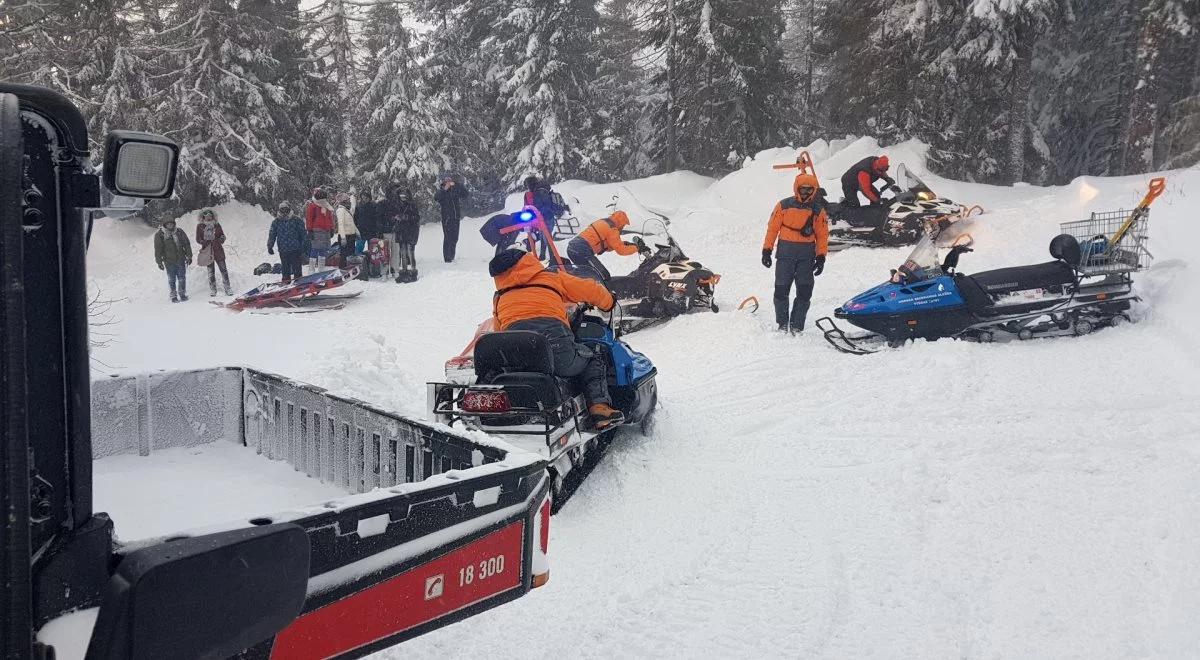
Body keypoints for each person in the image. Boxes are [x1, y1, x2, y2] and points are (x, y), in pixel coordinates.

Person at [489, 248, 625, 429]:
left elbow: (499, 330)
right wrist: (609, 302)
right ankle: (599, 408)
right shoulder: (552, 278)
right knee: (593, 357)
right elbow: (591, 289)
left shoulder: (500, 297)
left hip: (518, 358)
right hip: (557, 352)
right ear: (528, 262)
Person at [762, 173, 829, 333]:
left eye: (809, 190)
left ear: (814, 191)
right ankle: (782, 322)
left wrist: (821, 257)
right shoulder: (783, 206)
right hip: (785, 255)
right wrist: (767, 250)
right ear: (797, 188)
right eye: (803, 189)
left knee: (805, 291)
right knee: (781, 290)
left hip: (806, 257)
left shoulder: (818, 210)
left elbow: (822, 235)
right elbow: (772, 229)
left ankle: (798, 324)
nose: (805, 193)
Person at [566, 210, 648, 280]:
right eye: (623, 225)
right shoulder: (613, 229)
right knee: (603, 276)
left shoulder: (603, 222)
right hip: (582, 250)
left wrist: (627, 244)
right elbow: (621, 250)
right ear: (620, 222)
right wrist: (637, 248)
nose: (623, 227)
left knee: (589, 275)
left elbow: (608, 245)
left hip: (573, 248)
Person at [523, 176, 567, 259]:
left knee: (547, 238)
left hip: (547, 218)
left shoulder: (541, 191)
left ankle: (553, 258)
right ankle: (542, 256)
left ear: (532, 183)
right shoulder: (536, 191)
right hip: (541, 219)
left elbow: (547, 205)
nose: (528, 187)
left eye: (528, 185)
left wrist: (538, 212)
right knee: (543, 237)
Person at [267, 201, 309, 283]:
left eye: (286, 209)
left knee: (297, 268)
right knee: (285, 268)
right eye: (282, 210)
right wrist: (270, 246)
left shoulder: (296, 220)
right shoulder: (276, 222)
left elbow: (303, 233)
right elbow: (272, 234)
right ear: (279, 210)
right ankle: (286, 283)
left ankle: (299, 282)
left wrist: (305, 245)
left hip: (295, 248)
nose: (284, 211)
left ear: (289, 209)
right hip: (283, 249)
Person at [194, 208, 232, 296]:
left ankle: (228, 288)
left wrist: (221, 239)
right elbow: (198, 239)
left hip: (218, 250)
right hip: (208, 251)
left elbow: (222, 235)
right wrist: (204, 241)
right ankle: (213, 289)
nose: (208, 217)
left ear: (212, 216)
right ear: (203, 217)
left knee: (224, 270)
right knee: (211, 272)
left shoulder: (217, 225)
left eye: (210, 216)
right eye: (206, 216)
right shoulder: (200, 226)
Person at [154, 217, 192, 303]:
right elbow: (158, 250)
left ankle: (182, 294)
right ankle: (173, 296)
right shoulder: (160, 235)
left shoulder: (179, 232)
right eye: (168, 224)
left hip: (181, 259)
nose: (170, 225)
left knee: (182, 278)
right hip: (169, 261)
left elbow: (186, 244)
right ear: (165, 225)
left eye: (171, 223)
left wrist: (189, 256)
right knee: (172, 279)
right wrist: (159, 262)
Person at [434, 174, 468, 263]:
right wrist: (445, 189)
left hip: (456, 217)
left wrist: (457, 184)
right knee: (448, 238)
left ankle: (452, 256)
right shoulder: (441, 191)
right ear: (444, 182)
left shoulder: (455, 190)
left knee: (455, 238)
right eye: (446, 180)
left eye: (450, 180)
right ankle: (447, 258)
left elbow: (465, 194)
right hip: (447, 218)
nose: (448, 182)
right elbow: (436, 197)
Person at [391, 186, 421, 282]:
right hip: (401, 231)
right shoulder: (396, 205)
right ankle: (404, 270)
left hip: (411, 231)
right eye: (401, 196)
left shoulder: (412, 205)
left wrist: (404, 217)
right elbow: (392, 216)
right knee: (403, 252)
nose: (403, 198)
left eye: (404, 196)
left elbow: (416, 218)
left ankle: (413, 270)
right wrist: (395, 218)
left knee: (410, 251)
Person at [304, 187, 336, 272]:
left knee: (323, 250)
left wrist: (332, 228)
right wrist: (309, 230)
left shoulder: (327, 206)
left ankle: (321, 269)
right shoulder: (313, 206)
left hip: (326, 231)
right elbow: (309, 218)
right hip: (316, 230)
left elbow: (330, 218)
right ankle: (311, 269)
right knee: (315, 249)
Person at [354, 190, 383, 275]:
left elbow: (377, 218)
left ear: (369, 197)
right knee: (358, 250)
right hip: (361, 232)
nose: (364, 198)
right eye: (363, 196)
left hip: (372, 232)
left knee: (373, 251)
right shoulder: (359, 206)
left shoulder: (374, 205)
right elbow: (355, 219)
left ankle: (373, 269)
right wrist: (356, 229)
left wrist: (378, 229)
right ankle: (357, 268)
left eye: (366, 197)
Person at [335, 192, 358, 264]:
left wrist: (357, 232)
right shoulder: (340, 210)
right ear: (344, 201)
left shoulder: (347, 210)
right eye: (348, 200)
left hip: (351, 235)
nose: (349, 201)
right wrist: (343, 238)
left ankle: (350, 270)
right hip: (345, 236)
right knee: (344, 255)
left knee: (350, 255)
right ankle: (343, 269)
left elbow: (352, 223)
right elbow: (341, 224)